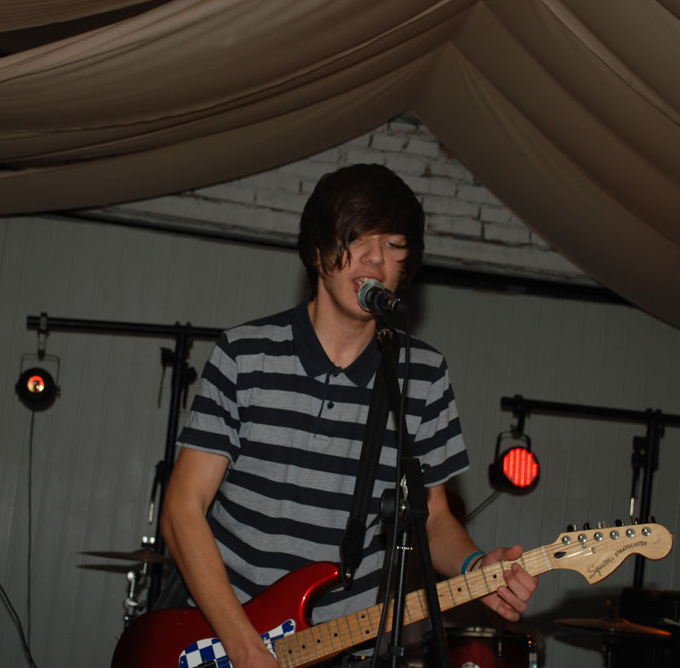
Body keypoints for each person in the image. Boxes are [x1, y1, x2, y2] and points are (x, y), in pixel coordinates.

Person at [161, 163, 537, 667]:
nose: (375, 258)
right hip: (222, 643)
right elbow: (183, 508)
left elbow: (432, 519)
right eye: (357, 238)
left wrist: (475, 568)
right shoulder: (245, 355)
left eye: (393, 243)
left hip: (342, 648)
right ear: (318, 252)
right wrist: (244, 644)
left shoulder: (422, 375)